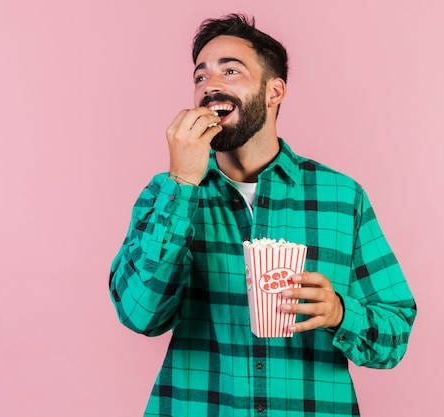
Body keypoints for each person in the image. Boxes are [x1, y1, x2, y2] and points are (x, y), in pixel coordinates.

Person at [109, 13, 417, 416]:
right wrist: (182, 182)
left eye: (230, 71)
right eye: (200, 77)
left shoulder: (342, 197)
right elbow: (139, 314)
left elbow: (394, 334)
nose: (210, 86)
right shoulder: (167, 192)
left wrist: (341, 313)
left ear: (274, 92)